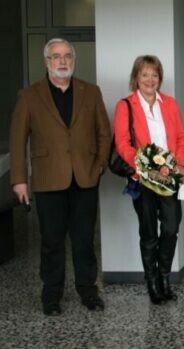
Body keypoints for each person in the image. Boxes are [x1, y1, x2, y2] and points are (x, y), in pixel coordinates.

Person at [9, 38, 111, 316]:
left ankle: (88, 291)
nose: (62, 61)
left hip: (85, 178)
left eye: (67, 56)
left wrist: (100, 163)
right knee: (52, 241)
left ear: (73, 60)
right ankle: (51, 296)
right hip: (48, 179)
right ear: (47, 62)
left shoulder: (91, 92)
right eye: (56, 57)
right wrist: (19, 180)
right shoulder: (29, 95)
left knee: (84, 239)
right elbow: (17, 140)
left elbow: (105, 132)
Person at [113, 55, 184, 305]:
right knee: (149, 233)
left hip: (169, 178)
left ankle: (164, 276)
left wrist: (179, 165)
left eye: (154, 75)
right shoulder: (125, 105)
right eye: (145, 74)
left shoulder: (170, 103)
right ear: (136, 77)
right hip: (142, 179)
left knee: (171, 227)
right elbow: (122, 144)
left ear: (160, 78)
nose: (150, 79)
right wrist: (144, 168)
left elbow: (180, 137)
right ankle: (152, 283)